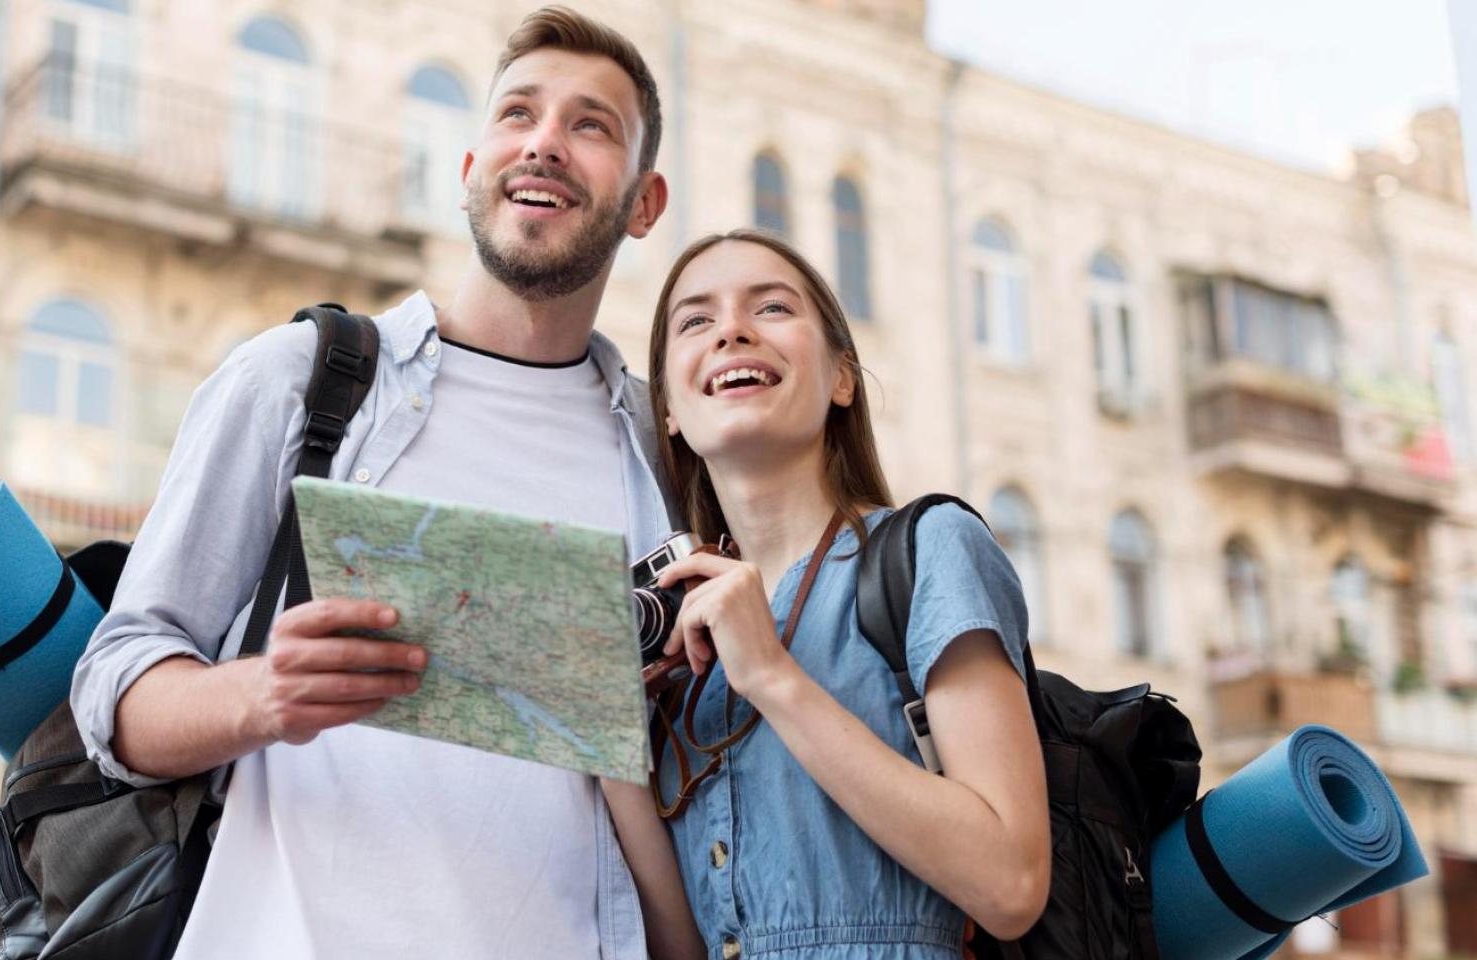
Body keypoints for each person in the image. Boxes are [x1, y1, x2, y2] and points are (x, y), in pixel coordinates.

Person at [70, 8, 704, 959]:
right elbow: (115, 687)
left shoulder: (666, 454)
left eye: (591, 125)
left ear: (645, 204)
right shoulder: (302, 381)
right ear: (470, 170)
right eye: (518, 113)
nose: (543, 142)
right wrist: (263, 695)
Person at [641, 229, 1051, 958]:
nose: (731, 330)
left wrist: (772, 676)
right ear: (668, 408)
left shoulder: (931, 550)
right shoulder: (680, 635)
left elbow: (1012, 884)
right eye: (696, 320)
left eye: (771, 307)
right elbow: (687, 944)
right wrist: (596, 733)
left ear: (842, 378)